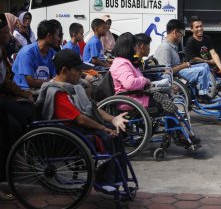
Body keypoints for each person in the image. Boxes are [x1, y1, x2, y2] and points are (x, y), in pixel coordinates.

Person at [36, 49, 129, 187]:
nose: (81, 73)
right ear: (64, 70)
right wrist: (103, 127)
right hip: (68, 136)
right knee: (107, 135)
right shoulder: (56, 92)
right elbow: (80, 119)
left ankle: (119, 177)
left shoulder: (74, 87)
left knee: (116, 131)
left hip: (79, 129)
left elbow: (92, 109)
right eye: (77, 70)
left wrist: (113, 119)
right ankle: (106, 180)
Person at [110, 32, 201, 147]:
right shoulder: (121, 64)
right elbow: (130, 83)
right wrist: (145, 81)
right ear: (127, 46)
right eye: (134, 45)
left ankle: (179, 133)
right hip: (130, 100)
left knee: (167, 102)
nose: (135, 48)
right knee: (166, 105)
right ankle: (179, 135)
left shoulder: (126, 62)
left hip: (136, 96)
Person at [0, 13, 35, 201]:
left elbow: (6, 82)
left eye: (8, 32)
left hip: (4, 97)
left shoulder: (4, 55)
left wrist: (22, 94)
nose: (9, 36)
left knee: (27, 112)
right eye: (5, 33)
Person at [153, 19, 212, 103]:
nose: (182, 36)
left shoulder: (172, 45)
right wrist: (183, 66)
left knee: (204, 65)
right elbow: (166, 72)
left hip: (178, 71)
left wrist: (182, 65)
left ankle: (203, 93)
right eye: (181, 33)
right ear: (175, 32)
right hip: (172, 75)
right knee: (201, 70)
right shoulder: (165, 48)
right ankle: (201, 95)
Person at [12, 20, 58, 92]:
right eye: (57, 35)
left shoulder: (53, 54)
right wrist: (54, 82)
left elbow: (55, 76)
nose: (58, 39)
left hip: (44, 90)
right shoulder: (27, 53)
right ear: (49, 36)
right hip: (25, 92)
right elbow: (31, 82)